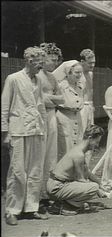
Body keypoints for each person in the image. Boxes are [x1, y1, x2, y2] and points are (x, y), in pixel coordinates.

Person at [1, 47, 48, 225]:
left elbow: (41, 105)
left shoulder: (39, 80)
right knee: (17, 171)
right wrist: (5, 132)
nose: (41, 67)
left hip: (36, 130)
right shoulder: (13, 79)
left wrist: (43, 128)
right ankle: (12, 210)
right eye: (39, 63)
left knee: (35, 170)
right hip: (18, 130)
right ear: (29, 60)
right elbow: (4, 106)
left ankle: (31, 207)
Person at [47, 124, 107, 215]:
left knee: (94, 185)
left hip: (58, 184)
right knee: (93, 188)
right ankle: (65, 206)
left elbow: (87, 173)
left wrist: (100, 183)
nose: (97, 145)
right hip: (56, 187)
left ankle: (69, 203)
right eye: (96, 142)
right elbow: (81, 179)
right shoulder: (79, 155)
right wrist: (98, 189)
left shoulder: (79, 150)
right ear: (90, 138)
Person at [38, 43, 64, 211]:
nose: (55, 63)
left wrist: (50, 98)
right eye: (52, 60)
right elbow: (39, 99)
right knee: (39, 155)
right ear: (44, 58)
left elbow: (61, 98)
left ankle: (47, 193)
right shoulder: (37, 75)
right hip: (39, 115)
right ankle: (37, 194)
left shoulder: (53, 77)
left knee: (51, 155)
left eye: (56, 60)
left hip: (51, 115)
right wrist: (51, 98)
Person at [52, 60, 84, 161]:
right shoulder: (61, 86)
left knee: (77, 145)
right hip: (64, 117)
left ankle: (73, 173)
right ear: (69, 73)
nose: (79, 75)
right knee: (64, 146)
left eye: (80, 72)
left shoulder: (80, 86)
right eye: (76, 72)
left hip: (77, 117)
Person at [79, 49, 96, 133]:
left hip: (89, 106)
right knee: (81, 132)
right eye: (90, 63)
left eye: (94, 62)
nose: (92, 65)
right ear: (82, 62)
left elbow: (90, 89)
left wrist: (92, 105)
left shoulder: (90, 74)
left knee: (90, 134)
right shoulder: (78, 74)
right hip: (81, 107)